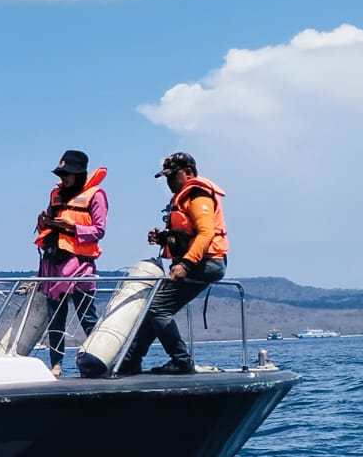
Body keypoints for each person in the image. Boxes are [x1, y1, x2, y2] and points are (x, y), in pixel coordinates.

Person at [118, 151, 230, 376]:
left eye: (172, 176)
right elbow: (185, 235)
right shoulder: (183, 199)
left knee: (157, 307)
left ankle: (181, 361)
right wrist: (163, 238)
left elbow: (206, 233)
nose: (169, 182)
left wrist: (186, 264)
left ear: (188, 173)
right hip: (198, 262)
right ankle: (131, 360)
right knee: (155, 308)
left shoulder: (198, 196)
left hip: (205, 263)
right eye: (166, 178)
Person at [34, 149, 108, 376]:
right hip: (54, 265)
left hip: (80, 268)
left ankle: (104, 358)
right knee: (56, 319)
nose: (63, 178)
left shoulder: (96, 195)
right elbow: (47, 226)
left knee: (87, 316)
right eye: (62, 174)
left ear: (80, 174)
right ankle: (56, 365)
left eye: (68, 174)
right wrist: (44, 222)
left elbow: (99, 230)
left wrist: (69, 227)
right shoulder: (55, 195)